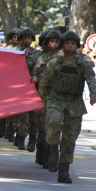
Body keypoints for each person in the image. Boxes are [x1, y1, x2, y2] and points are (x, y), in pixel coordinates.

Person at [39, 31, 96, 183]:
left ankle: (64, 170)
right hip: (55, 99)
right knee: (53, 122)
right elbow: (44, 81)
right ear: (63, 45)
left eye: (73, 43)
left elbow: (91, 78)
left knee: (70, 138)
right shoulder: (55, 61)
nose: (70, 45)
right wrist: (44, 101)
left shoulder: (82, 63)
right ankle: (53, 151)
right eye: (67, 43)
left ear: (76, 46)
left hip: (74, 102)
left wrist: (93, 95)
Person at [32, 30, 61, 168]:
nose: (54, 43)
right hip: (43, 96)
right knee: (42, 127)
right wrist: (35, 78)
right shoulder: (42, 59)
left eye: (56, 41)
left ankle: (51, 155)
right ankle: (41, 154)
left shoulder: (64, 58)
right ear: (47, 43)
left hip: (59, 98)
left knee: (55, 128)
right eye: (52, 41)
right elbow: (34, 74)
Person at [14, 28, 38, 151]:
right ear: (21, 39)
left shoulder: (36, 54)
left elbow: (38, 68)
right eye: (25, 38)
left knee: (30, 117)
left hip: (31, 88)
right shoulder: (15, 52)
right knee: (19, 116)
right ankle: (19, 135)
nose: (27, 40)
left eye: (29, 38)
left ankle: (24, 138)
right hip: (17, 88)